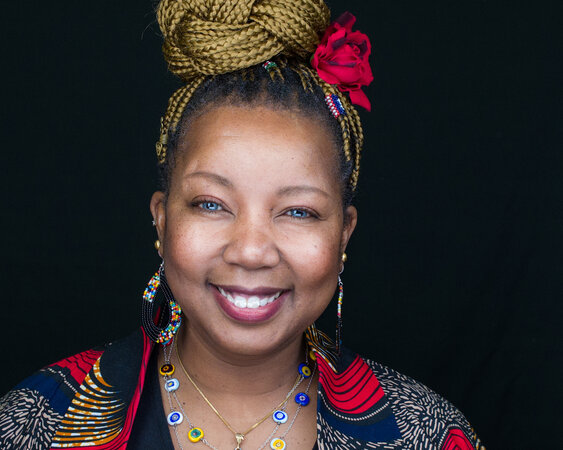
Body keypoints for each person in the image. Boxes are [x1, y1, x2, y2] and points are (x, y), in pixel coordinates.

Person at [0, 0, 484, 448]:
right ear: (162, 220)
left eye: (298, 211)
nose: (251, 251)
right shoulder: (35, 423)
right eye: (212, 204)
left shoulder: (429, 434)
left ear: (344, 234)